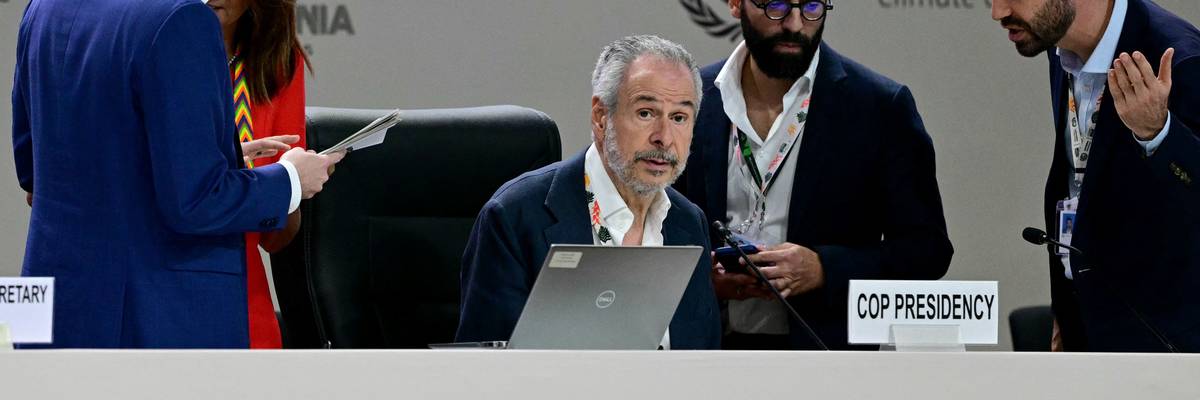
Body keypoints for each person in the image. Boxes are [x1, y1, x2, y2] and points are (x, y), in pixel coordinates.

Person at [11, 0, 341, 348]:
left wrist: (196, 160)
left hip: (48, 311)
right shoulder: (180, 19)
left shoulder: (43, 7)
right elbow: (194, 201)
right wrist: (290, 179)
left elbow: (33, 171)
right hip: (152, 318)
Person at [675, 0, 953, 350]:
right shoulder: (692, 100)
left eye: (811, 7)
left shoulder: (879, 106)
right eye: (775, 6)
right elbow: (660, 233)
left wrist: (823, 269)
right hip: (709, 354)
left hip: (827, 360)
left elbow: (928, 251)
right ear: (735, 4)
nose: (794, 24)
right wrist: (706, 279)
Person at [455, 35, 721, 349]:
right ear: (600, 116)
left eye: (679, 118)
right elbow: (486, 365)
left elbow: (702, 356)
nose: (663, 138)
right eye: (646, 113)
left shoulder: (688, 223)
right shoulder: (516, 216)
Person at [992, 0, 1200, 352]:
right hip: (1088, 334)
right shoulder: (1061, 53)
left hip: (1166, 353)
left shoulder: (1181, 58)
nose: (998, 12)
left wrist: (1160, 135)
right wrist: (1068, 310)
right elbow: (1079, 182)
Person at [208, 0, 311, 349]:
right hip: (160, 288)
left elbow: (274, 238)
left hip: (243, 298)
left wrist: (293, 185)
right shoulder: (150, 53)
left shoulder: (278, 62)